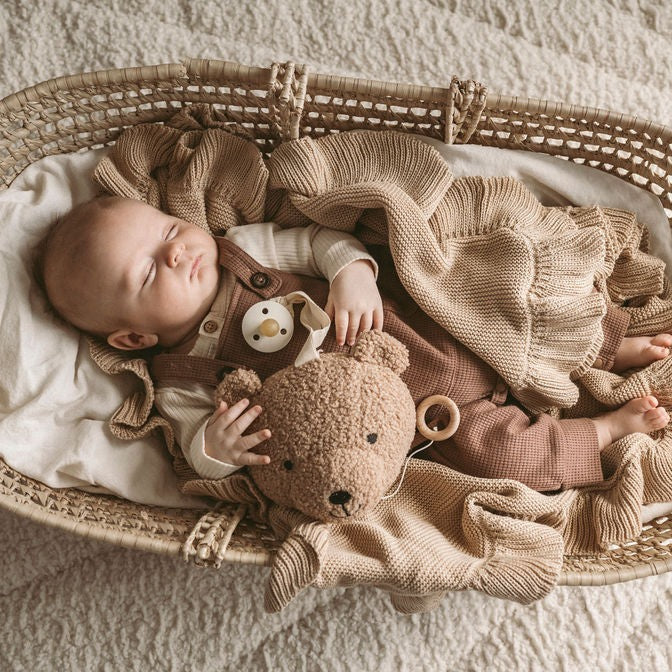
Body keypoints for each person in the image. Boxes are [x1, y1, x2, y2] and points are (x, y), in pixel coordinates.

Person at [39, 195, 672, 492]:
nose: (176, 251)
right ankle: (604, 432)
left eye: (170, 229)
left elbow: (317, 241)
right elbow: (194, 451)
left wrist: (350, 274)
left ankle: (602, 347)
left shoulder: (245, 250)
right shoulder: (182, 376)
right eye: (150, 271)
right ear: (132, 337)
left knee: (495, 307)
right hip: (409, 413)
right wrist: (216, 445)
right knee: (493, 460)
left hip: (408, 327)